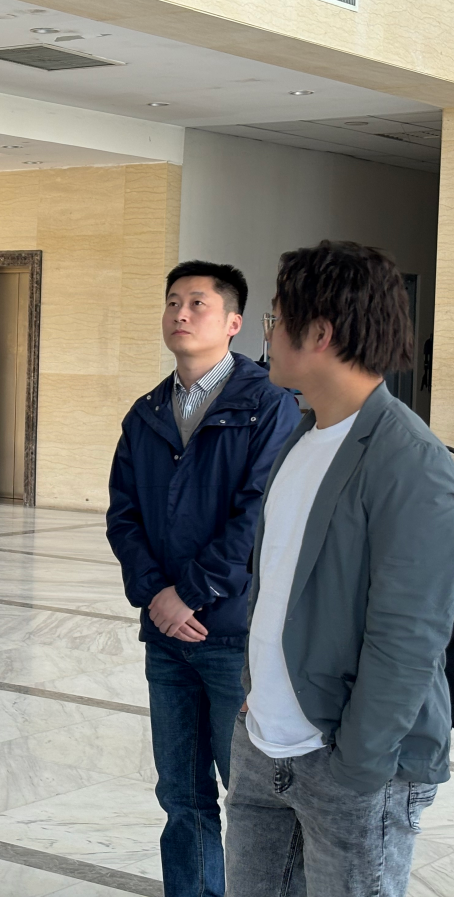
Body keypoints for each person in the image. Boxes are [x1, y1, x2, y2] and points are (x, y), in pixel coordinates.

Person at [224, 241, 454, 896]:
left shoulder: (412, 461)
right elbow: (279, 585)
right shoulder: (302, 436)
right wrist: (257, 696)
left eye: (275, 320)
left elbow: (409, 636)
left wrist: (358, 766)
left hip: (349, 766)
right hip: (262, 746)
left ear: (319, 334)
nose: (268, 337)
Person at [107, 261, 299, 897]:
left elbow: (258, 516)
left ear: (234, 323)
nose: (180, 314)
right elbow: (123, 516)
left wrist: (188, 593)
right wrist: (156, 596)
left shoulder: (268, 405)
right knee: (181, 796)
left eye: (197, 303)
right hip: (167, 638)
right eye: (172, 302)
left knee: (251, 797)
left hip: (231, 635)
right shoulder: (146, 412)